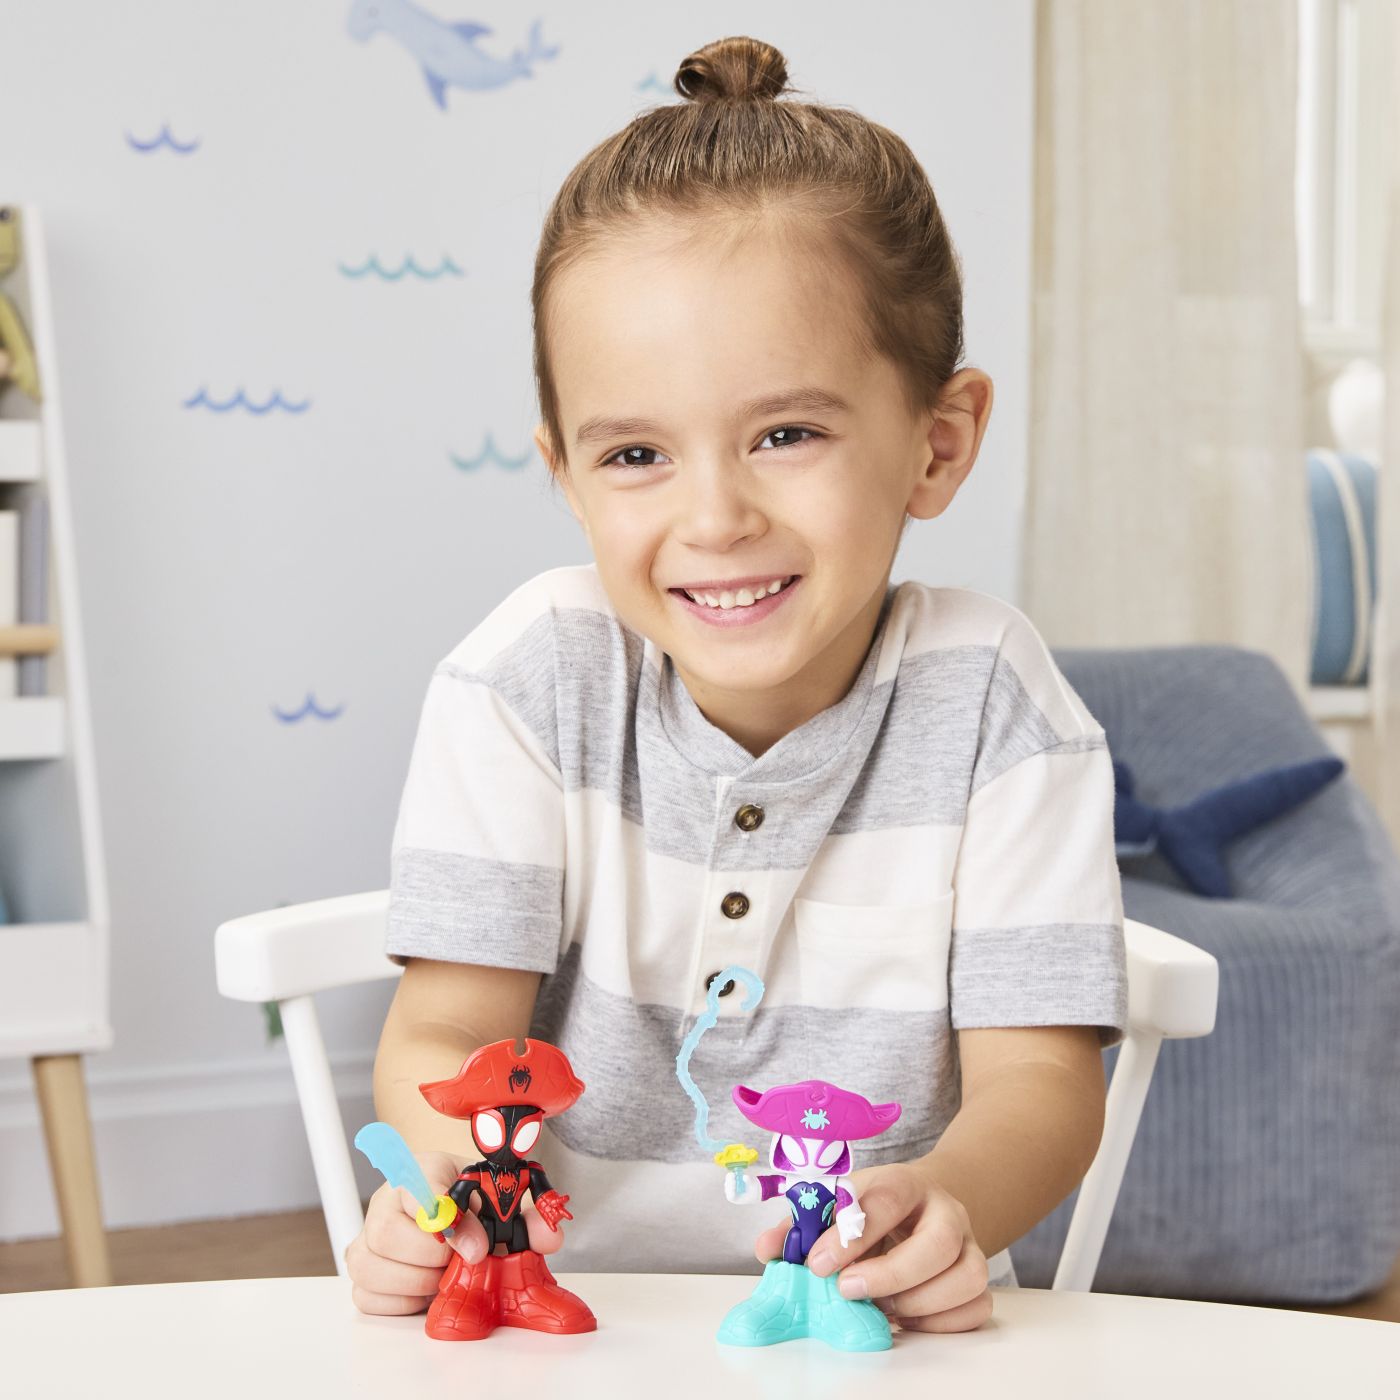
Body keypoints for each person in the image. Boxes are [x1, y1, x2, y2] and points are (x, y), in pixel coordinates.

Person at [346, 34, 1127, 1337]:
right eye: (636, 455)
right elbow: (441, 1040)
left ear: (937, 445)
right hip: (566, 1327)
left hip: (874, 1331)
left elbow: (1042, 1083)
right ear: (565, 472)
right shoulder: (528, 678)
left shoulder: (997, 705)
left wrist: (947, 1203)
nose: (714, 518)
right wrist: (439, 1191)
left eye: (787, 433)